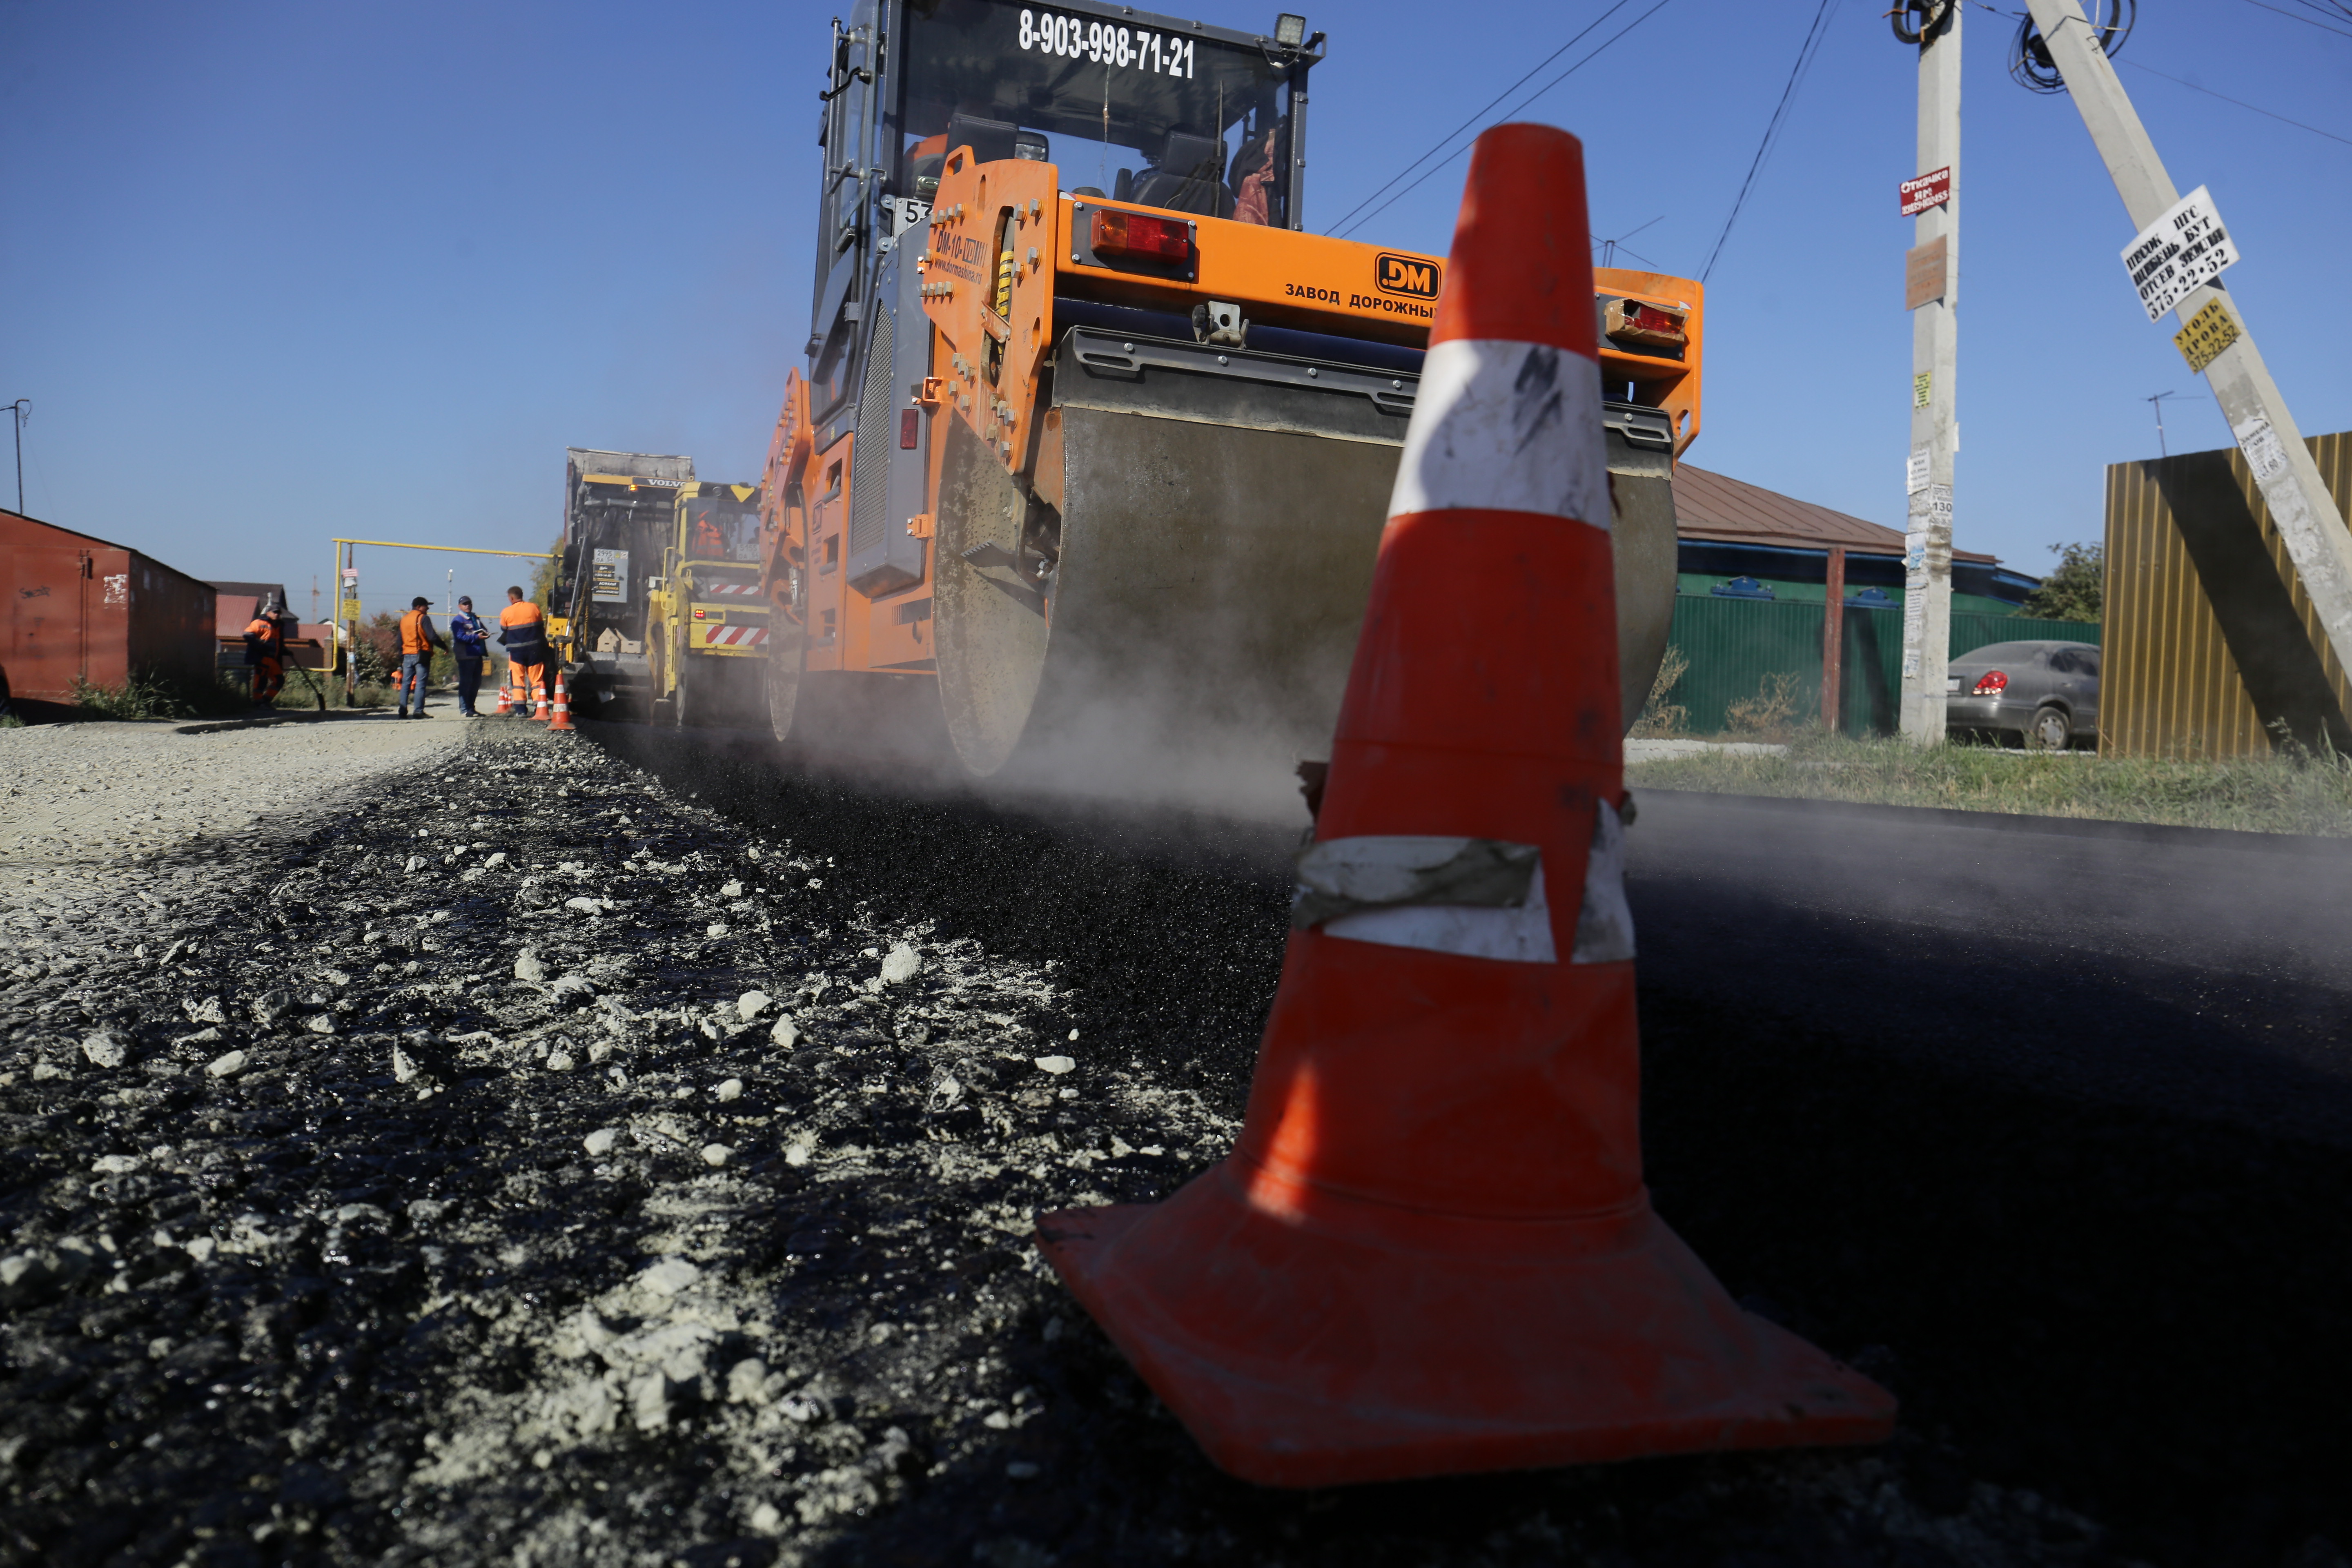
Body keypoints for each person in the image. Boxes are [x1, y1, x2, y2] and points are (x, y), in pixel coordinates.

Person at [498, 585, 551, 717]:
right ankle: (540, 707)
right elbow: (540, 625)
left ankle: (521, 710)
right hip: (535, 650)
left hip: (516, 652)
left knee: (518, 681)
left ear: (511, 598)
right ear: (522, 595)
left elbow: (504, 629)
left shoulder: (506, 612)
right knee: (537, 680)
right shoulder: (534, 608)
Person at [396, 596, 446, 719]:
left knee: (406, 683)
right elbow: (433, 637)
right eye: (426, 606)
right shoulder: (423, 618)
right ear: (419, 607)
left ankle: (402, 711)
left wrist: (402, 655)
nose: (428, 608)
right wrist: (445, 647)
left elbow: (399, 641)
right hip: (422, 654)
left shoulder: (404, 620)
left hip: (407, 654)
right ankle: (418, 711)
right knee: (420, 684)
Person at [243, 593, 290, 707]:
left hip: (273, 659)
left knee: (279, 680)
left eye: (279, 613)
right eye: (275, 612)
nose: (277, 615)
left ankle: (266, 701)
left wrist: (284, 650)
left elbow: (277, 642)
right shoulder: (259, 623)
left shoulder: (279, 626)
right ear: (268, 613)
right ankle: (258, 702)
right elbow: (247, 635)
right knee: (261, 680)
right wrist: (258, 647)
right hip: (262, 658)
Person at [449, 595, 490, 717]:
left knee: (476, 683)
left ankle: (471, 708)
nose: (467, 606)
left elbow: (484, 630)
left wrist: (485, 634)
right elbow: (460, 637)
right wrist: (477, 637)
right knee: (466, 683)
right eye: (465, 604)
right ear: (459, 607)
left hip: (477, 654)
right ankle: (465, 710)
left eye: (469, 604)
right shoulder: (458, 621)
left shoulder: (475, 619)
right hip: (466, 655)